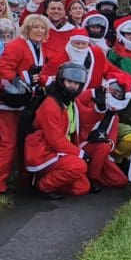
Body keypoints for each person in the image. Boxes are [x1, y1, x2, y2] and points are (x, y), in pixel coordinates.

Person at [0, 14, 48, 195]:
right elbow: (1, 70)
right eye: (35, 27)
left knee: (24, 142)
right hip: (8, 103)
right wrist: (26, 77)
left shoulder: (39, 47)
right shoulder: (16, 45)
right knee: (7, 143)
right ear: (27, 29)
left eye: (42, 27)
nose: (39, 30)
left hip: (26, 102)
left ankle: (23, 182)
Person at [24, 62, 93, 198]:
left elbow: (87, 118)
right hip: (43, 153)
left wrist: (101, 107)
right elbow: (55, 140)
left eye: (76, 83)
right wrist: (80, 153)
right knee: (79, 166)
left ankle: (52, 182)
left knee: (82, 188)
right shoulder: (51, 104)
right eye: (69, 81)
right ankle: (42, 186)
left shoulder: (70, 100)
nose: (73, 86)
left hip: (58, 153)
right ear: (61, 80)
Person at [75, 74, 131, 191]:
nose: (116, 95)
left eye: (119, 95)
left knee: (120, 180)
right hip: (81, 145)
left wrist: (106, 142)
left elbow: (112, 140)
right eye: (114, 92)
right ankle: (92, 179)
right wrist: (94, 92)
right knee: (103, 147)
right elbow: (76, 99)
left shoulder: (115, 117)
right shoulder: (94, 102)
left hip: (100, 151)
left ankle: (92, 171)